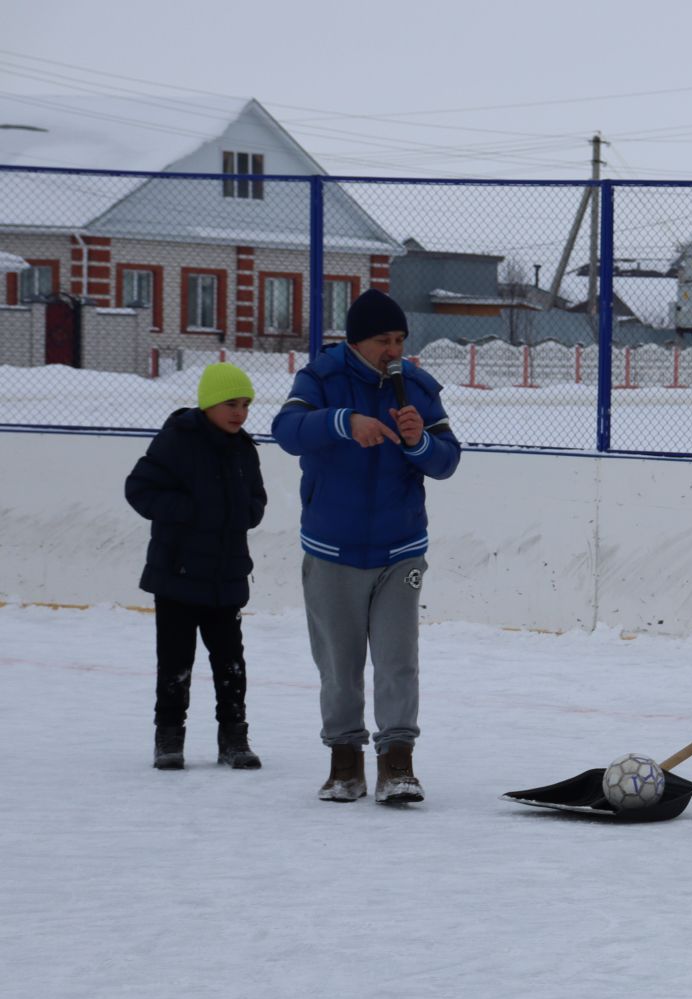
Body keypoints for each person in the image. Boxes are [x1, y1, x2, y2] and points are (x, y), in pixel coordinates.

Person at [272, 289, 461, 804]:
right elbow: (285, 429)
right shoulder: (321, 378)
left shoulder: (417, 388)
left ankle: (397, 764)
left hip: (401, 551)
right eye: (383, 340)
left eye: (400, 339)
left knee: (399, 658)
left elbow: (447, 461)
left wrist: (420, 439)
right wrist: (343, 423)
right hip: (332, 550)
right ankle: (344, 764)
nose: (394, 350)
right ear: (356, 341)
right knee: (339, 663)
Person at [125, 362, 268, 771]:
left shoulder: (244, 449)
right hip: (177, 576)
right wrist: (189, 510)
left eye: (245, 405)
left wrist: (245, 512)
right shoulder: (177, 442)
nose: (239, 413)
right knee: (175, 661)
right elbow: (139, 488)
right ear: (207, 404)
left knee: (231, 663)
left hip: (226, 577)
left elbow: (257, 500)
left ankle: (234, 737)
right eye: (230, 404)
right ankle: (169, 736)